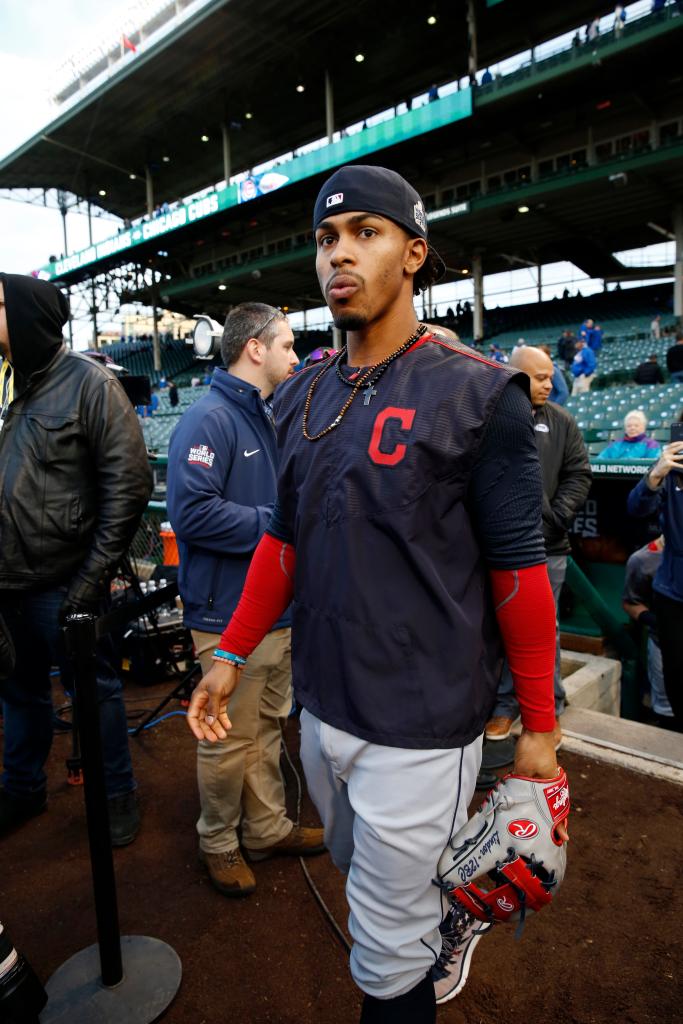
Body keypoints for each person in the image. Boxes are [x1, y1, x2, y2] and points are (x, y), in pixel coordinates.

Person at [186, 165, 566, 1021]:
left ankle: (418, 959)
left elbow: (519, 580)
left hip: (422, 724)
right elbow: (283, 546)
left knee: (384, 960)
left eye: (366, 232)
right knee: (359, 877)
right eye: (326, 239)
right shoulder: (304, 391)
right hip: (321, 703)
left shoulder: (478, 392)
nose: (340, 255)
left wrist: (537, 728)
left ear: (414, 253)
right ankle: (429, 917)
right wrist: (233, 652)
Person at [166, 303, 324, 897]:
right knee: (228, 738)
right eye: (285, 345)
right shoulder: (209, 418)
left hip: (275, 612)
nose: (293, 355)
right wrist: (278, 522)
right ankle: (219, 842)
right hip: (226, 614)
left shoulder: (270, 413)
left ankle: (265, 829)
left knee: (263, 732)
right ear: (254, 349)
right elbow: (193, 513)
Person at [0, 273, 152, 844]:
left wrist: (90, 579)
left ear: (23, 312)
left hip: (65, 581)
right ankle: (21, 789)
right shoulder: (4, 381)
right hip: (7, 581)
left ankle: (116, 796)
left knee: (98, 691)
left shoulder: (89, 383)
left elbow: (130, 485)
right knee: (19, 692)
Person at [486, 347, 591, 744]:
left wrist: (554, 518)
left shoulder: (562, 421)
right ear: (516, 375)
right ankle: (502, 706)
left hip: (548, 548)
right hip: (497, 548)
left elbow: (579, 475)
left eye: (551, 376)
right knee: (499, 629)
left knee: (546, 631)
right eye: (541, 377)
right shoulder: (490, 415)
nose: (550, 384)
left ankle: (550, 709)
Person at [627, 423, 683, 732]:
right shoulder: (673, 467)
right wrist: (655, 474)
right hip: (673, 591)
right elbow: (636, 508)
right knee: (675, 680)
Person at [622, 536, 674, 725]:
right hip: (665, 645)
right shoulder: (645, 559)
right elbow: (630, 603)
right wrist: (655, 621)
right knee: (668, 711)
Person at [596, 410, 661, 461]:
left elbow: (653, 465)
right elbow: (600, 460)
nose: (632, 428)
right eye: (629, 426)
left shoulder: (651, 445)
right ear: (625, 428)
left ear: (643, 427)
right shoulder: (615, 444)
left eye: (636, 425)